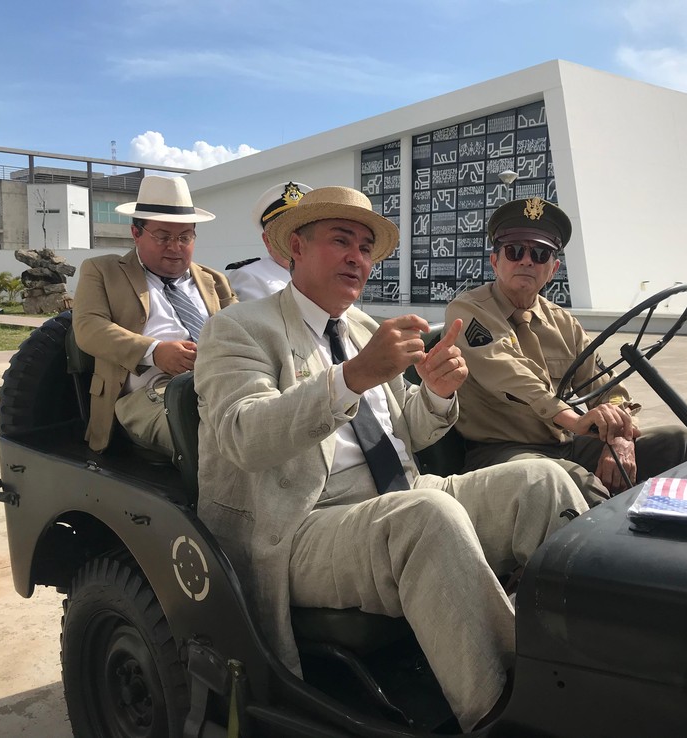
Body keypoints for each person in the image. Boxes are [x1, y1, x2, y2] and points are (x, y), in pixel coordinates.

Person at [194, 186, 586, 730]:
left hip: (400, 495)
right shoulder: (238, 328)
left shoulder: (362, 329)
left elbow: (408, 434)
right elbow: (243, 435)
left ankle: (589, 666)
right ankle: (507, 716)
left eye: (366, 247)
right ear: (296, 250)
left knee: (543, 480)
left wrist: (437, 393)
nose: (358, 257)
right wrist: (351, 376)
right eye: (341, 241)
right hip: (303, 523)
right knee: (428, 517)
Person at [446, 197, 687, 504]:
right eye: (515, 251)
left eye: (540, 254)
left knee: (680, 443)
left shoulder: (563, 322)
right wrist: (576, 421)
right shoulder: (469, 310)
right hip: (503, 450)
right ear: (495, 261)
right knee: (580, 485)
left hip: (566, 444)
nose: (527, 260)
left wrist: (619, 436)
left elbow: (606, 385)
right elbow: (512, 377)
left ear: (552, 269)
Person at [74, 175, 236, 455]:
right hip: (150, 392)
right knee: (215, 434)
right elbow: (89, 327)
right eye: (163, 237)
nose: (175, 247)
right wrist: (154, 352)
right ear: (136, 233)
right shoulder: (103, 271)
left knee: (274, 422)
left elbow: (243, 328)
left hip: (221, 382)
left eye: (185, 237)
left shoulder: (213, 279)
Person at [226, 181, 312, 300]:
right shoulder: (248, 276)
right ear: (267, 240)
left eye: (302, 228)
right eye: (285, 230)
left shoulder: (325, 272)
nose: (296, 238)